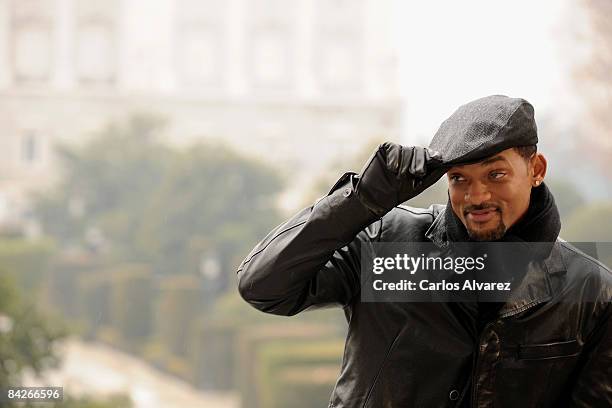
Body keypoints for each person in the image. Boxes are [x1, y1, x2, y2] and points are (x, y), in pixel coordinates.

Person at [236, 95, 612, 407]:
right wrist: (361, 199)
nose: (476, 196)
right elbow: (262, 286)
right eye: (459, 179)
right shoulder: (386, 240)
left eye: (495, 175)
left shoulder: (591, 291)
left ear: (536, 169)